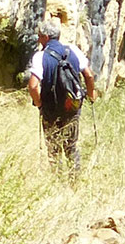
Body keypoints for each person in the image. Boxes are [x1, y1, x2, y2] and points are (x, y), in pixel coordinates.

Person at [25, 17, 97, 169]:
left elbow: (33, 86)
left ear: (45, 37)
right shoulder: (73, 50)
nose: (38, 39)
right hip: (72, 106)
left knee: (53, 148)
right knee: (71, 147)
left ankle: (57, 182)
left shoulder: (40, 56)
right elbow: (89, 75)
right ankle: (75, 183)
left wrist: (40, 104)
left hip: (51, 109)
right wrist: (91, 95)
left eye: (39, 36)